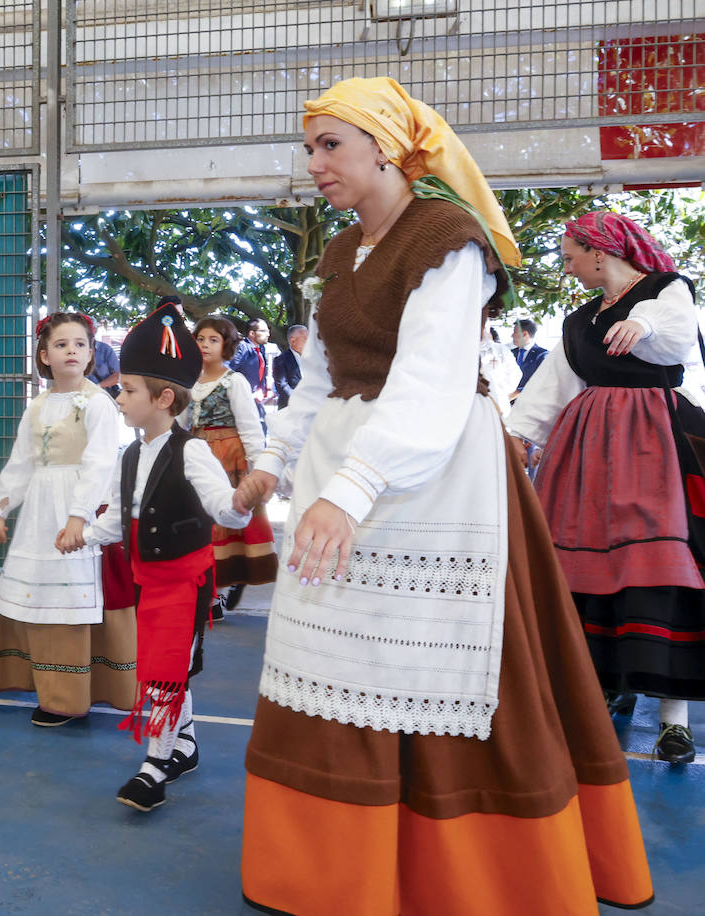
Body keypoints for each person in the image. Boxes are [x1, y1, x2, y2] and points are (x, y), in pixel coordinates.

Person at [234, 78, 652, 914]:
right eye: (309, 146)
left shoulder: (448, 239)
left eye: (330, 145)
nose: (313, 162)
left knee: (442, 661)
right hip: (345, 473)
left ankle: (458, 873)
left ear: (386, 147)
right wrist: (274, 463)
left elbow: (429, 387)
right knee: (335, 657)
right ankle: (334, 870)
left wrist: (349, 490)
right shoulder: (339, 251)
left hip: (431, 476)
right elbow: (319, 380)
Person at [507, 210, 703, 765]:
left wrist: (642, 325)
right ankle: (603, 687)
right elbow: (551, 389)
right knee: (590, 572)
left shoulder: (668, 291)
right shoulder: (578, 321)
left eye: (570, 255)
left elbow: (676, 338)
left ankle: (673, 719)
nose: (567, 267)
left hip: (656, 447)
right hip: (587, 454)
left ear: (599, 250)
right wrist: (516, 438)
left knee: (662, 567)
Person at [74, 299, 254, 812]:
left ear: (164, 397)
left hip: (183, 581)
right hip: (146, 579)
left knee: (165, 671)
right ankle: (187, 745)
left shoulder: (192, 450)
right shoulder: (129, 453)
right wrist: (83, 536)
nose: (120, 395)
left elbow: (222, 507)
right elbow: (115, 518)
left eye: (129, 390)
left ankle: (155, 765)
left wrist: (238, 506)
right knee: (165, 665)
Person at [0, 313, 136, 726]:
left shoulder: (98, 403)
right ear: (45, 355)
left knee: (74, 598)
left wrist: (78, 519)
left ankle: (73, 695)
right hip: (39, 515)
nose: (72, 350)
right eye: (62, 344)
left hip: (80, 512)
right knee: (40, 596)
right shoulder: (38, 406)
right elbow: (21, 463)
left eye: (80, 344)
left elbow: (101, 463)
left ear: (90, 355)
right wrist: (0, 510)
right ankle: (47, 687)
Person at [181, 313, 277, 617]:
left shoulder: (233, 381)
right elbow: (180, 424)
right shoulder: (188, 384)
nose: (206, 345)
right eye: (200, 339)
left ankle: (219, 592)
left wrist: (256, 470)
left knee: (223, 525)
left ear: (227, 346)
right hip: (197, 457)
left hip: (228, 460)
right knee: (198, 525)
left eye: (213, 339)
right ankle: (209, 590)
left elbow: (251, 429)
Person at [232, 318, 274, 431]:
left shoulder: (261, 349)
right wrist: (248, 394)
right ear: (252, 333)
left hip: (256, 400)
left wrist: (263, 390)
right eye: (264, 331)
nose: (268, 334)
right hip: (242, 401)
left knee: (262, 428)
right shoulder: (242, 347)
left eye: (268, 330)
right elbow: (229, 372)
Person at [478, 325, 520, 415]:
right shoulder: (467, 349)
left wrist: (499, 390)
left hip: (498, 401)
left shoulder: (501, 350)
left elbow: (515, 375)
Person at [510, 317, 548, 396]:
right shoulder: (510, 353)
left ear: (524, 334)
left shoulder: (542, 355)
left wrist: (516, 393)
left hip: (529, 403)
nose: (512, 335)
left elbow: (541, 382)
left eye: (514, 332)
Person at [272, 324, 307, 409]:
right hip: (290, 408)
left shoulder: (311, 359)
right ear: (293, 341)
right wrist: (299, 400)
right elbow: (282, 385)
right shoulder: (280, 361)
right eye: (305, 338)